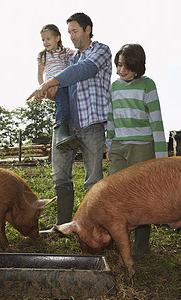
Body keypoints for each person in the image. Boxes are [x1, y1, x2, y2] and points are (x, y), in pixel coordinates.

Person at [28, 12, 112, 235]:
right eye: (69, 33)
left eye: (75, 31)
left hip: (92, 123)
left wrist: (49, 83)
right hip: (67, 125)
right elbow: (63, 81)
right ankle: (62, 225)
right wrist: (51, 91)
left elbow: (82, 71)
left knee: (93, 179)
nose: (72, 36)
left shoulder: (101, 50)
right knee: (60, 175)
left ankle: (91, 227)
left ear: (88, 29)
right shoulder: (69, 58)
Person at [106, 43, 168, 258]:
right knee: (113, 191)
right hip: (119, 146)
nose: (122, 70)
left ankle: (141, 243)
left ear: (138, 67)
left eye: (127, 66)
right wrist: (109, 144)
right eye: (119, 65)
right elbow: (111, 118)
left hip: (142, 147)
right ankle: (112, 237)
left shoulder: (147, 85)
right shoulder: (113, 87)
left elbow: (156, 121)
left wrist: (161, 158)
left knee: (140, 196)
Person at [36, 24, 81, 153]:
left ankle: (69, 130)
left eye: (48, 39)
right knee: (63, 106)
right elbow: (40, 75)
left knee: (69, 106)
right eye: (43, 40)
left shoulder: (64, 51)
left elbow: (78, 52)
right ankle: (61, 135)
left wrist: (91, 46)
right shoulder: (42, 55)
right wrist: (43, 88)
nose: (45, 42)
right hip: (54, 86)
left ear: (57, 38)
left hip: (67, 83)